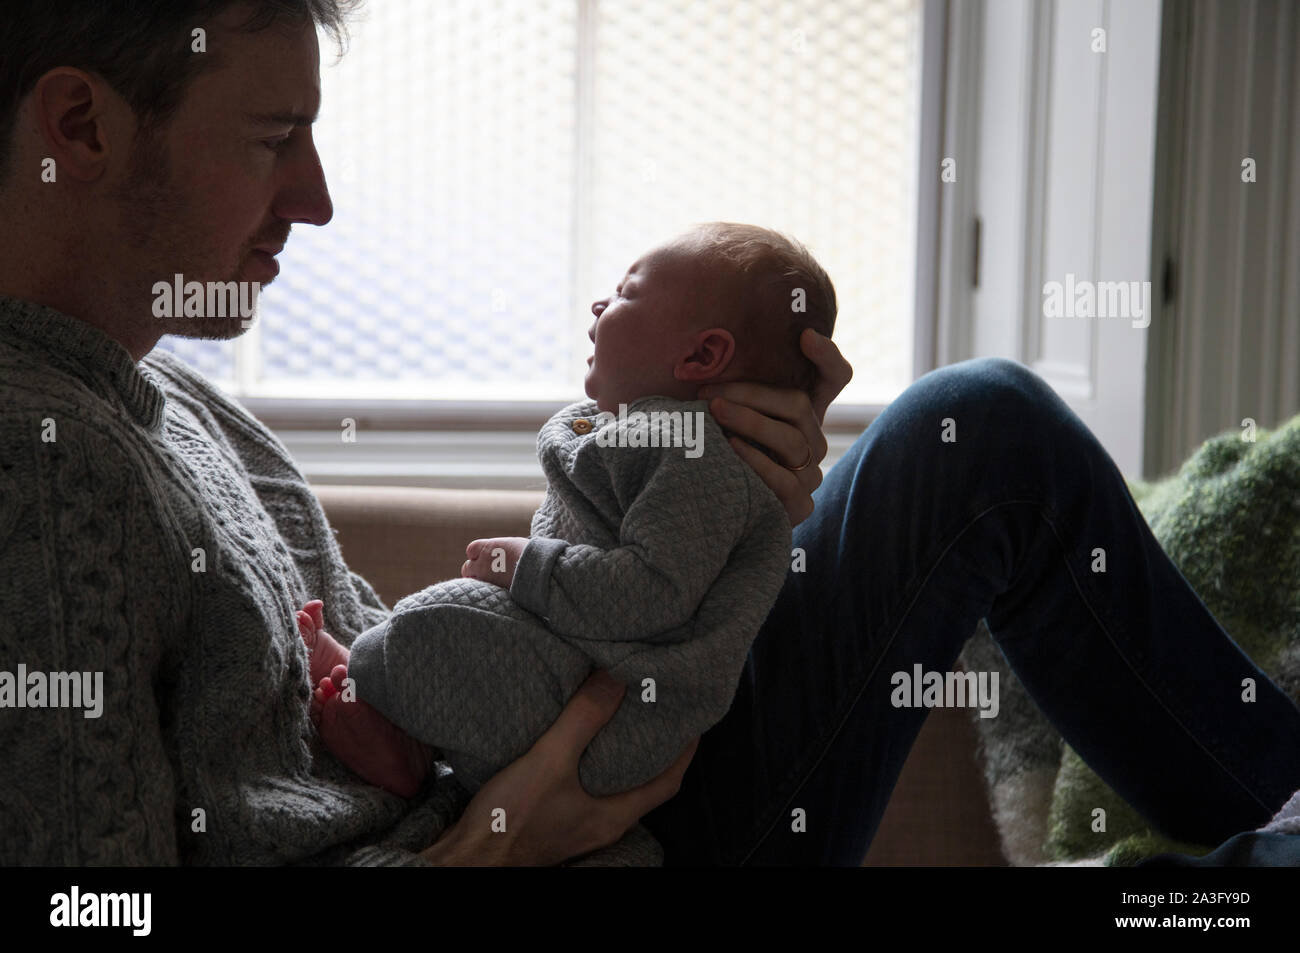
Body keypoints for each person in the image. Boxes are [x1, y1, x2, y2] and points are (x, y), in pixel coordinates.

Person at [2, 0, 1298, 868]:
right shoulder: (39, 466)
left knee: (977, 437)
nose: (321, 199)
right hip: (594, 846)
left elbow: (370, 684)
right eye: (276, 138)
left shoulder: (175, 396)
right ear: (81, 130)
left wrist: (736, 527)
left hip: (592, 770)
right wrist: (496, 844)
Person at [299, 222, 832, 801]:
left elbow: (652, 591)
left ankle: (376, 690)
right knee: (467, 623)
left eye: (627, 293)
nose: (602, 303)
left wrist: (528, 564)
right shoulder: (653, 440)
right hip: (575, 668)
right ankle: (405, 730)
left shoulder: (695, 459)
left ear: (702, 354)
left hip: (614, 706)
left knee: (444, 617)